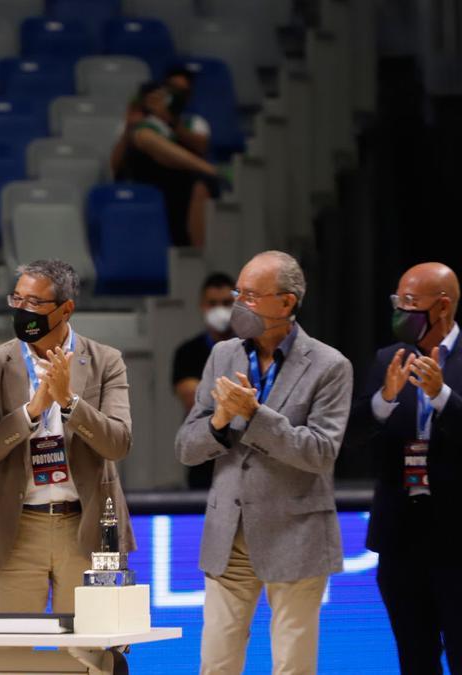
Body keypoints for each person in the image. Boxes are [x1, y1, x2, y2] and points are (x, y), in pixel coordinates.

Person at [176, 251, 352, 675]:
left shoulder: (331, 366)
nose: (239, 304)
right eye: (240, 292)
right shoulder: (222, 356)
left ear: (287, 303)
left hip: (296, 532)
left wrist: (255, 416)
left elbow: (320, 452)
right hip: (228, 535)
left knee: (292, 666)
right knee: (216, 663)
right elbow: (186, 446)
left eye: (251, 296)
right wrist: (219, 420)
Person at [0, 260, 134, 615]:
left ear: (65, 309)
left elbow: (118, 443)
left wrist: (70, 402)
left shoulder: (106, 361)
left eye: (35, 303)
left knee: (89, 654)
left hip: (85, 526)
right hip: (16, 528)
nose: (23, 310)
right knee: (10, 657)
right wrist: (31, 411)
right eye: (18, 300)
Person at [346, 262, 462, 673]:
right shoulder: (387, 359)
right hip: (401, 539)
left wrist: (442, 395)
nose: (400, 312)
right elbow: (351, 437)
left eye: (410, 303)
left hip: (457, 539)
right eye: (397, 301)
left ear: (442, 306)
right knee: (415, 658)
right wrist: (383, 400)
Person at [113, 81, 222, 248]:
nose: (156, 103)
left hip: (183, 180)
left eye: (161, 99)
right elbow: (114, 166)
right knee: (144, 136)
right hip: (148, 178)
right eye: (152, 99)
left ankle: (200, 255)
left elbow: (201, 145)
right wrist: (129, 127)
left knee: (202, 185)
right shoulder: (139, 127)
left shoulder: (190, 122)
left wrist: (170, 121)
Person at [172, 272, 235, 488]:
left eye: (227, 303)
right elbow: (193, 399)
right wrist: (240, 398)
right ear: (202, 305)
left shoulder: (252, 347)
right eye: (213, 303)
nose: (220, 309)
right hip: (203, 457)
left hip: (242, 455)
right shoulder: (187, 352)